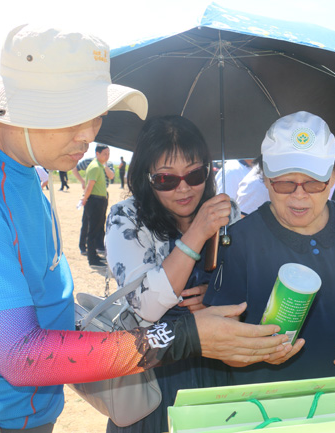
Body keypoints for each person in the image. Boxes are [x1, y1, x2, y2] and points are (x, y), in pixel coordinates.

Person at [0, 24, 288, 432]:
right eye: (71, 117)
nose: (88, 136)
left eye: (97, 116)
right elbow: (19, 354)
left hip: (29, 411)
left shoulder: (27, 164)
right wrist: (184, 337)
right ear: (17, 104)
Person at [204, 111, 335, 385]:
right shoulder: (240, 240)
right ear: (265, 179)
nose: (299, 194)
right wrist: (257, 352)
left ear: (332, 177)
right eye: (284, 182)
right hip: (265, 406)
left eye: (313, 182)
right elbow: (221, 340)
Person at [105, 116, 238, 433]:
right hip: (152, 379)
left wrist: (217, 295)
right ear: (145, 178)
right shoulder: (127, 218)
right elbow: (146, 307)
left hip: (217, 371)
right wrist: (197, 234)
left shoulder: (225, 212)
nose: (184, 189)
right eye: (166, 180)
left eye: (195, 174)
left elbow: (246, 285)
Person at [82, 144, 114, 266]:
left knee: (96, 229)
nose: (107, 156)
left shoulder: (101, 166)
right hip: (95, 201)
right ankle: (92, 259)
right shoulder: (95, 167)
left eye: (108, 153)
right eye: (105, 153)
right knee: (93, 231)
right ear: (97, 153)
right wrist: (84, 199)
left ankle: (94, 256)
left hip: (100, 200)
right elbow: (90, 185)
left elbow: (111, 176)